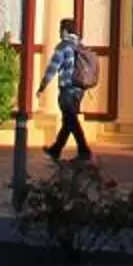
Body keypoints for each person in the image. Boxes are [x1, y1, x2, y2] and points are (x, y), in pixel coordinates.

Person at [37, 18, 94, 163]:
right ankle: (56, 149)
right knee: (68, 120)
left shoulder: (63, 47)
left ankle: (84, 151)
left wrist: (42, 86)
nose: (59, 32)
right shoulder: (80, 46)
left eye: (60, 29)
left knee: (71, 120)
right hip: (79, 90)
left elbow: (52, 68)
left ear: (64, 31)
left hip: (67, 88)